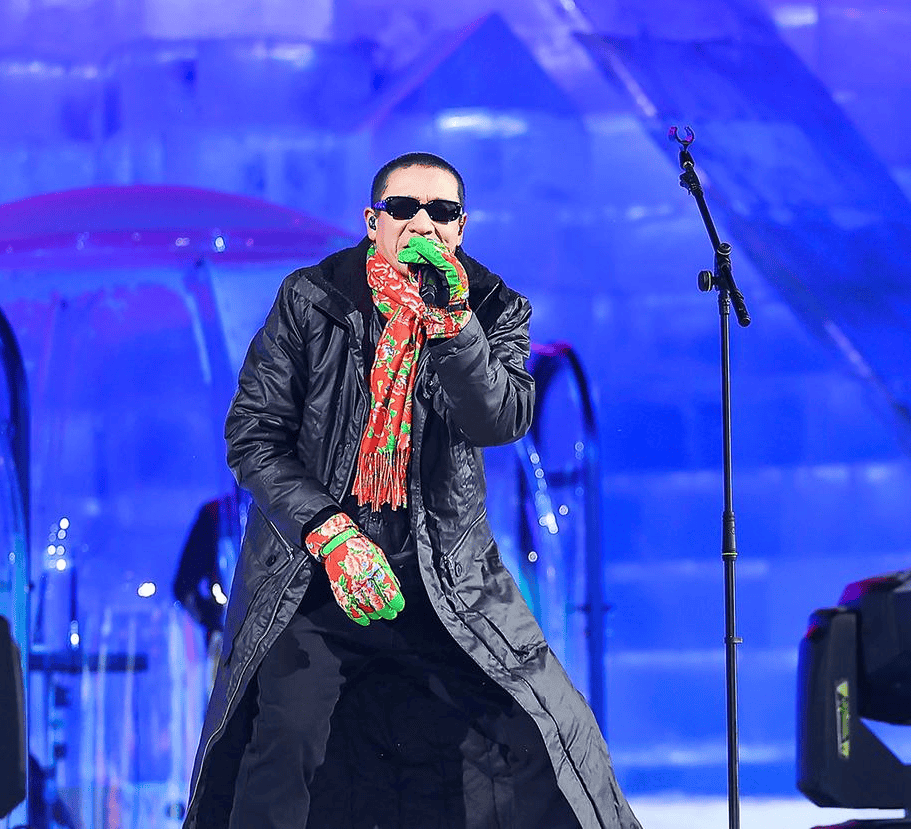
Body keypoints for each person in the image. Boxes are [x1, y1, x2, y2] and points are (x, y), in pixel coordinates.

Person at [182, 152, 641, 829]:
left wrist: (455, 326)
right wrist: (333, 536)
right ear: (373, 221)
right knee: (284, 740)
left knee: (540, 731)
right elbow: (253, 434)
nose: (422, 224)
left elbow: (500, 419)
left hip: (443, 577)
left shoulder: (492, 307)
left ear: (460, 228)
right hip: (314, 576)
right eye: (403, 209)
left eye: (441, 212)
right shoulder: (312, 299)